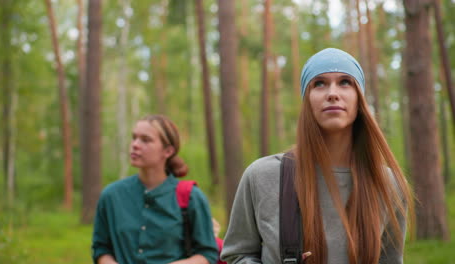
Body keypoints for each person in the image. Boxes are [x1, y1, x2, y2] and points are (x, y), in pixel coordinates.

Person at [221, 48, 413, 264]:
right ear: (307, 100)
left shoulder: (389, 183)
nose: (332, 93)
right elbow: (237, 254)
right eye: (319, 83)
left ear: (360, 100)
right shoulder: (261, 176)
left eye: (345, 82)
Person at [92, 114, 219, 264]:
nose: (135, 144)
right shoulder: (111, 196)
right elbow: (101, 248)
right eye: (134, 138)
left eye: (146, 140)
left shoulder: (192, 197)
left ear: (168, 151)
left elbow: (208, 253)